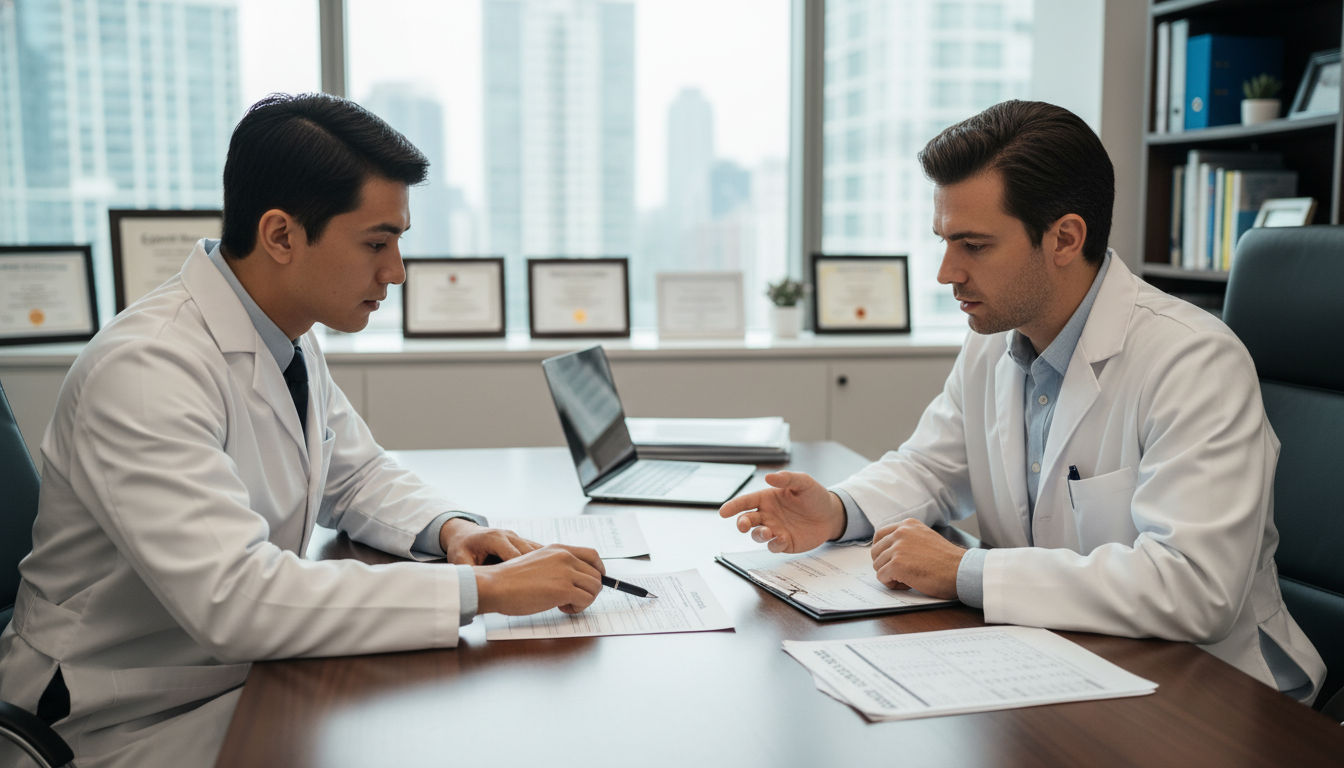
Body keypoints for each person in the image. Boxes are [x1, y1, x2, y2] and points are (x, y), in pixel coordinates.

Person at [0, 93, 606, 768]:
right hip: (122, 717)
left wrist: (452, 531)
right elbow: (235, 597)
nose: (395, 272)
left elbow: (356, 474)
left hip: (239, 676)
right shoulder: (145, 371)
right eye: (377, 243)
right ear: (282, 235)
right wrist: (485, 592)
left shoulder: (283, 333)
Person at [720, 100, 1326, 703]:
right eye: (944, 240)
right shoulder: (994, 341)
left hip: (1210, 694)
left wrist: (966, 572)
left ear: (1064, 238)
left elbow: (1194, 589)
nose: (946, 272)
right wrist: (839, 509)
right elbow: (931, 467)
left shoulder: (1193, 362)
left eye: (973, 245)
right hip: (1061, 660)